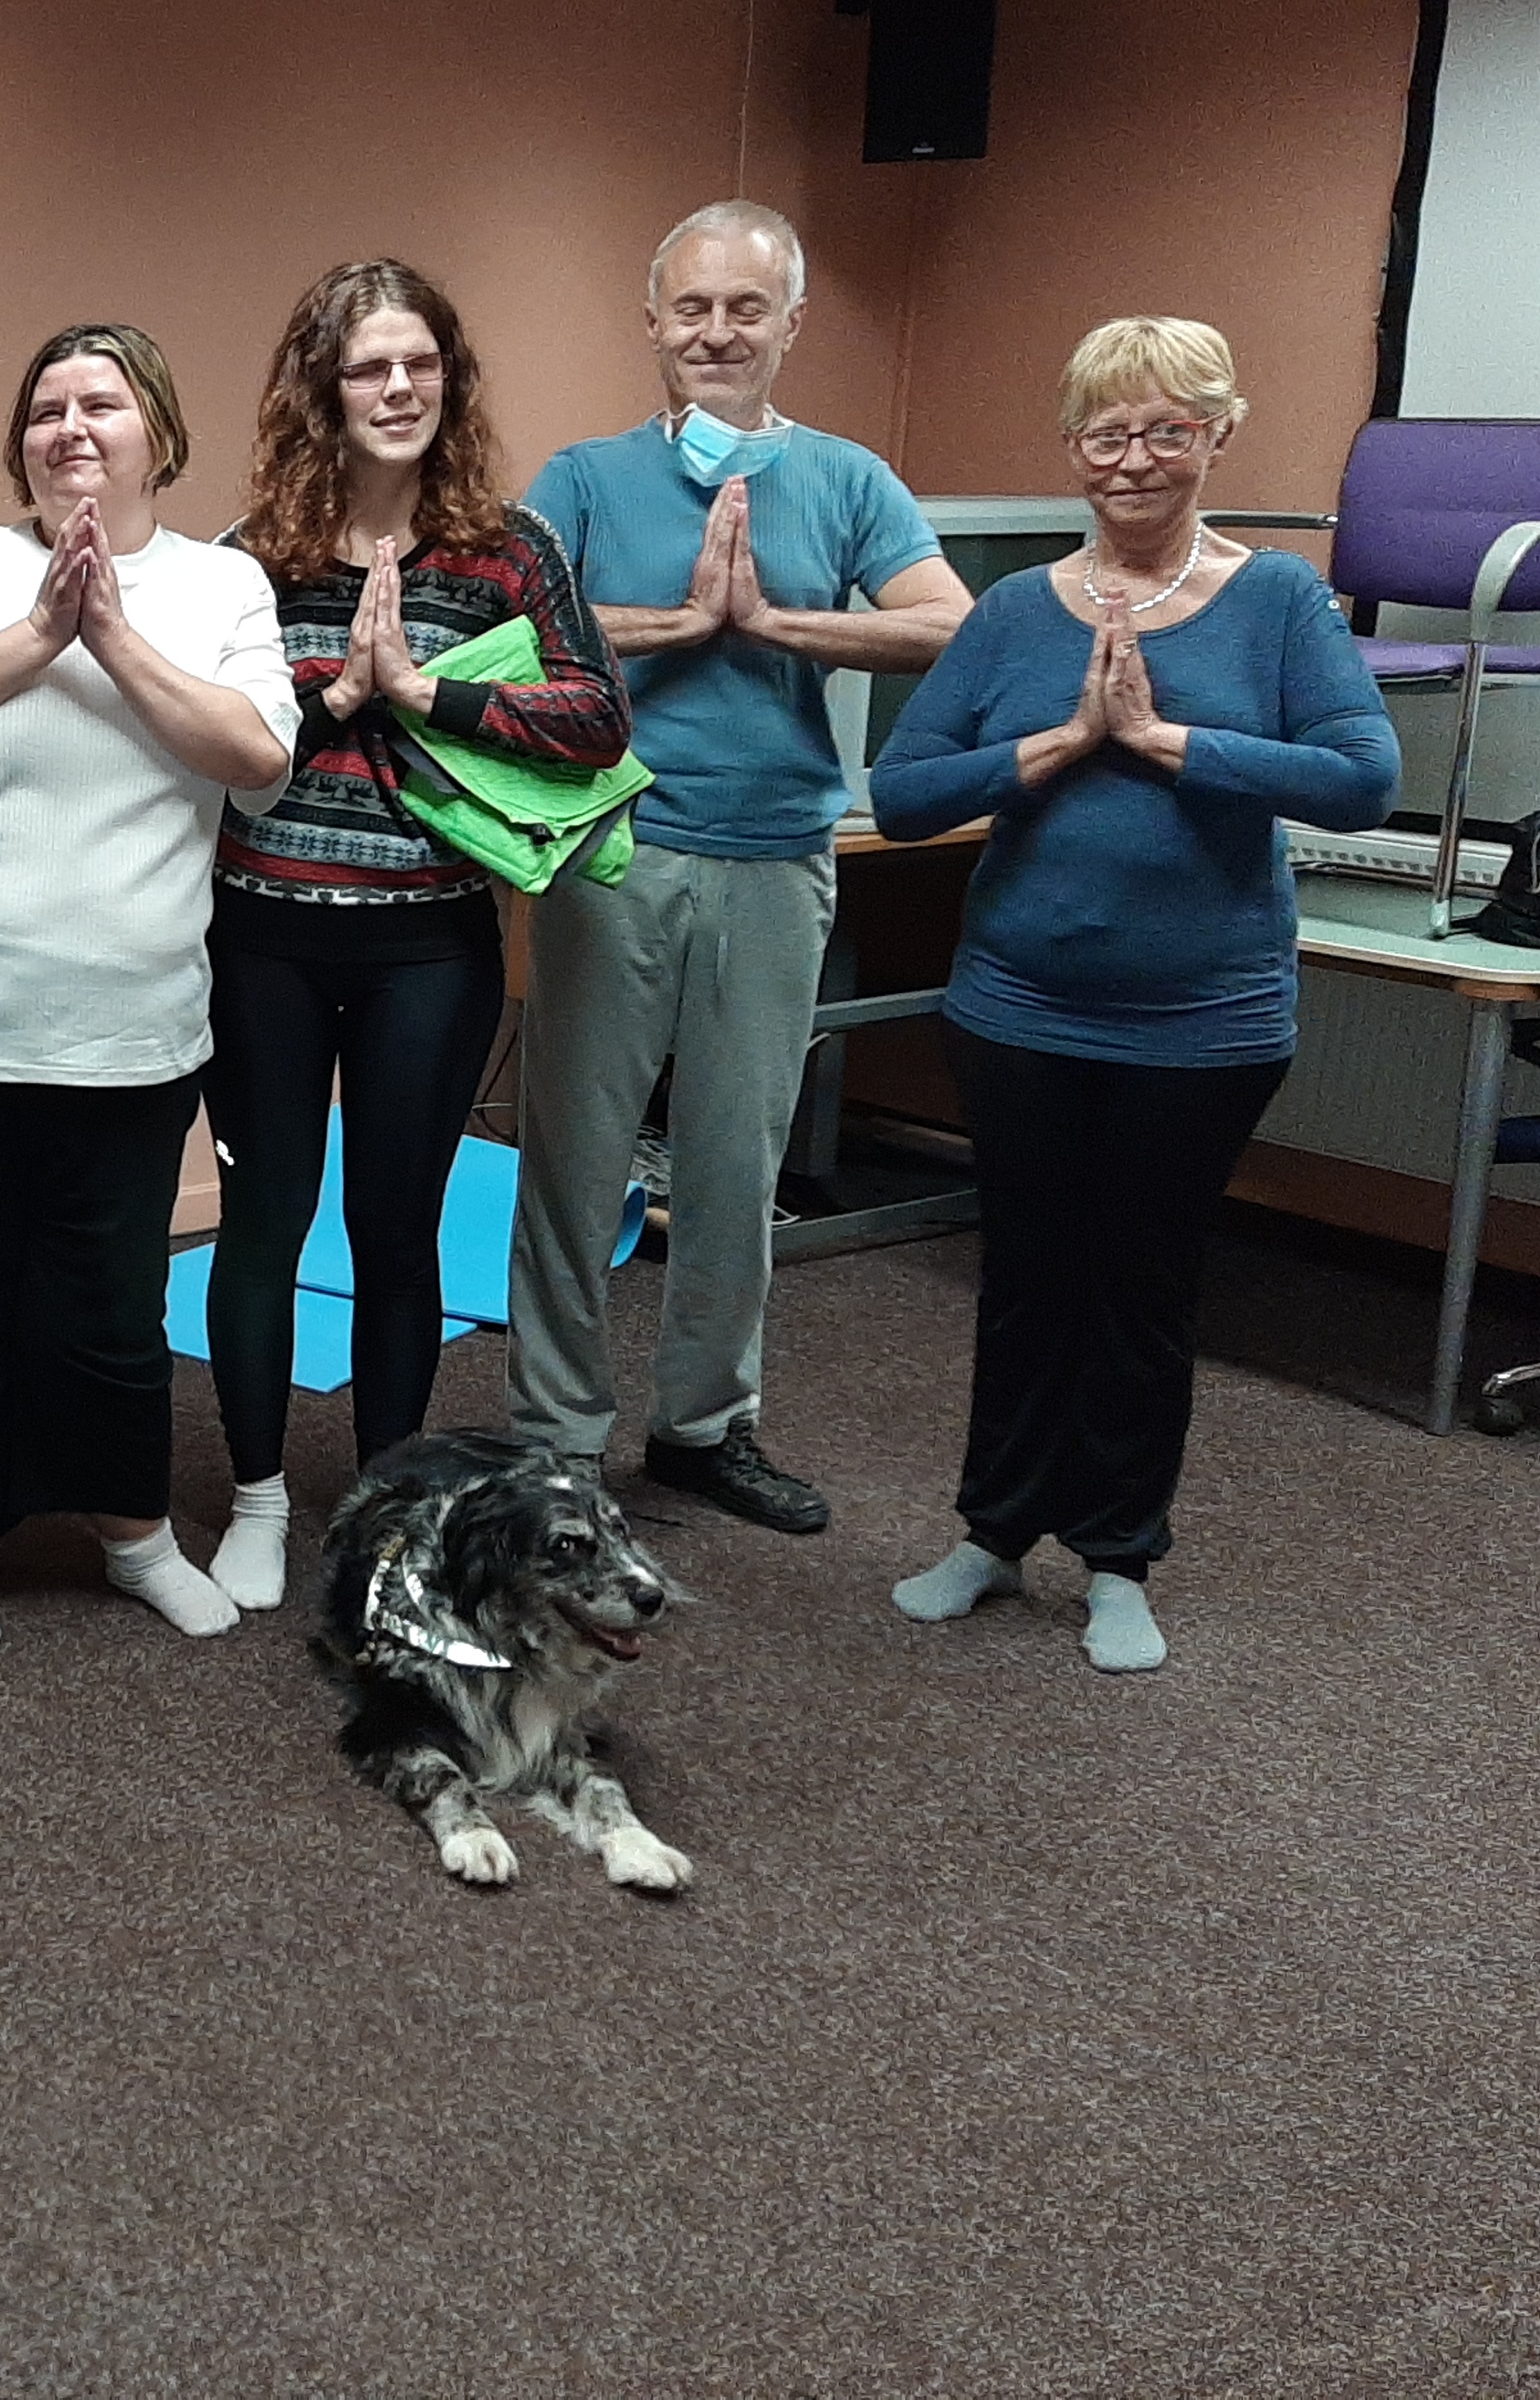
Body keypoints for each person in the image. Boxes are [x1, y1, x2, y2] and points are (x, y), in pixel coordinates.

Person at [872, 320, 1394, 1672]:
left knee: (1142, 1290)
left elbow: (1362, 778)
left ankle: (1117, 1560)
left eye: (1170, 430)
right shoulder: (1011, 613)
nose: (1136, 459)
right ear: (1073, 447)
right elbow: (905, 792)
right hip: (1019, 1010)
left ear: (1219, 436)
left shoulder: (1279, 603)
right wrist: (1059, 743)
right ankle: (994, 1533)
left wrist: (1165, 741)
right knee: (1026, 1278)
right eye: (1108, 433)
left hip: (1205, 1024)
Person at [508, 201, 971, 1531]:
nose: (718, 332)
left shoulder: (847, 480)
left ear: (791, 325)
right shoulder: (584, 476)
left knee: (734, 1162)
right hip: (615, 852)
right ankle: (556, 1437)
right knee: (575, 1159)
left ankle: (705, 1426)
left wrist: (774, 624)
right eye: (694, 308)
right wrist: (680, 623)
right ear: (654, 323)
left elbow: (947, 622)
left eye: (746, 308)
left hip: (776, 859)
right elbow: (508, 628)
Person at [0, 323, 295, 1648]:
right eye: (48, 408)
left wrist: (113, 636)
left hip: (124, 1030)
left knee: (111, 1313)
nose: (72, 427)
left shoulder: (222, 586)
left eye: (103, 403)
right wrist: (40, 632)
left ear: (162, 435)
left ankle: (134, 1533)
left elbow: (258, 758)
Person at [201, 262, 629, 1610]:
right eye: (368, 368)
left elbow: (596, 719)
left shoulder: (510, 547)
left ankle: (386, 1512)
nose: (398, 389)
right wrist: (340, 693)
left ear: (451, 378)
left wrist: (428, 691)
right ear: (321, 390)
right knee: (264, 1226)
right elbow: (210, 739)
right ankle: (258, 1500)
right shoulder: (244, 556)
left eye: (420, 364)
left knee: (397, 1233)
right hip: (260, 936)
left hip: (430, 950)